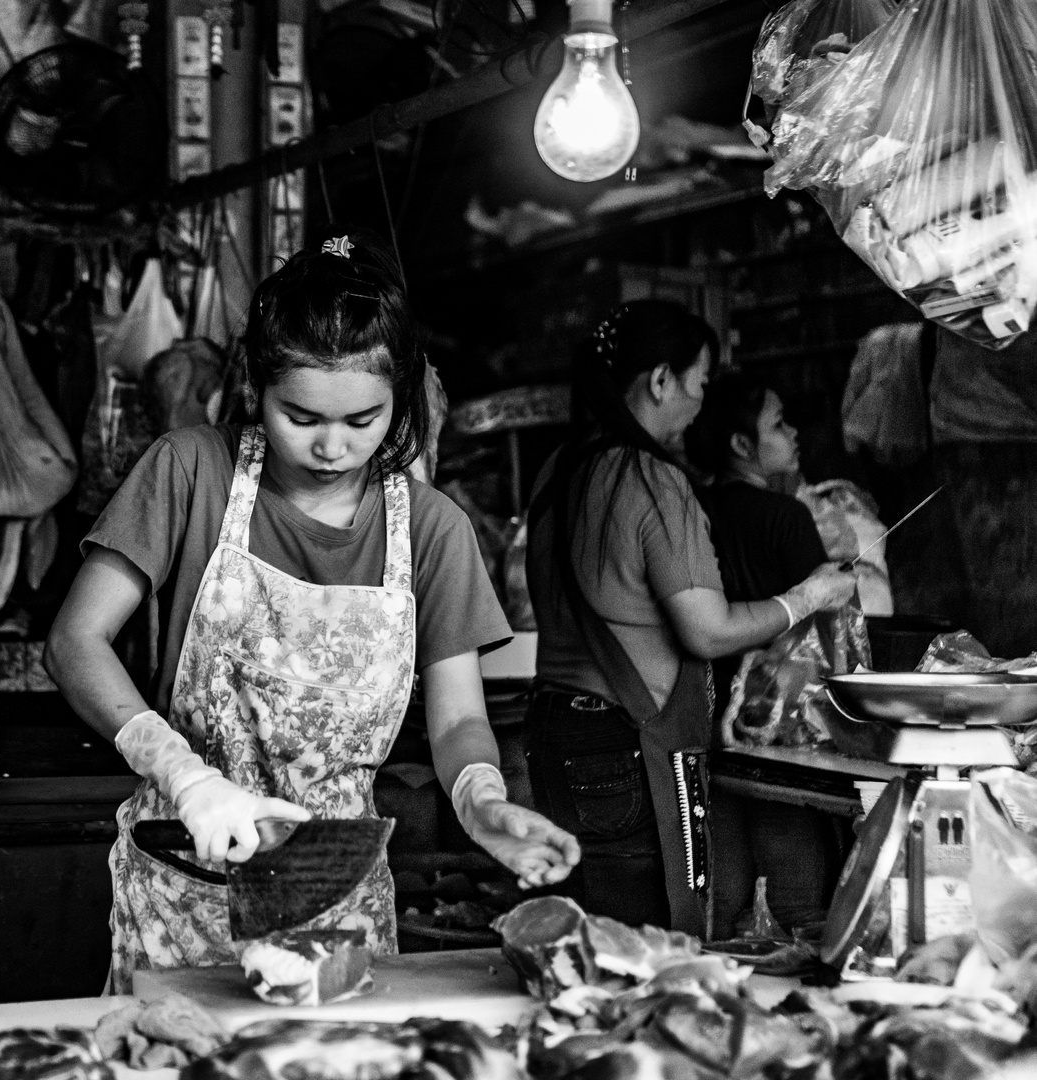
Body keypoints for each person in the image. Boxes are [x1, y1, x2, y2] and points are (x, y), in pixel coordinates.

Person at [47, 231, 581, 993]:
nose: (332, 446)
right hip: (186, 881)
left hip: (340, 902)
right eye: (301, 417)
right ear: (256, 390)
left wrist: (481, 800)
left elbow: (459, 721)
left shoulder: (430, 530)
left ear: (399, 400)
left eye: (363, 421)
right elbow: (74, 641)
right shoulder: (191, 471)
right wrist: (186, 777)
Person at [523, 302, 856, 935]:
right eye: (698, 384)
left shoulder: (556, 470)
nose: (701, 402)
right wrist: (806, 597)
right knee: (642, 947)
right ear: (659, 381)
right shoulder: (650, 479)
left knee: (579, 934)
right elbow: (706, 629)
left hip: (551, 733)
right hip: (623, 748)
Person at [685, 374, 839, 933]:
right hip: (779, 739)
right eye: (778, 422)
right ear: (741, 445)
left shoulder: (689, 508)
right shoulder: (787, 517)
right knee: (798, 911)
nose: (793, 431)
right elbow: (827, 635)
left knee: (718, 912)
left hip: (701, 729)